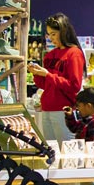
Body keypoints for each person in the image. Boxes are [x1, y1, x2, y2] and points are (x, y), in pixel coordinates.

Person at [28, 12, 86, 141]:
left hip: (64, 110)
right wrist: (36, 73)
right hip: (46, 109)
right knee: (51, 149)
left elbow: (74, 86)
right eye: (49, 34)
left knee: (65, 149)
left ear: (63, 32)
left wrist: (48, 75)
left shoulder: (74, 53)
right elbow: (44, 85)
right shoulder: (50, 55)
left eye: (53, 34)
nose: (50, 38)